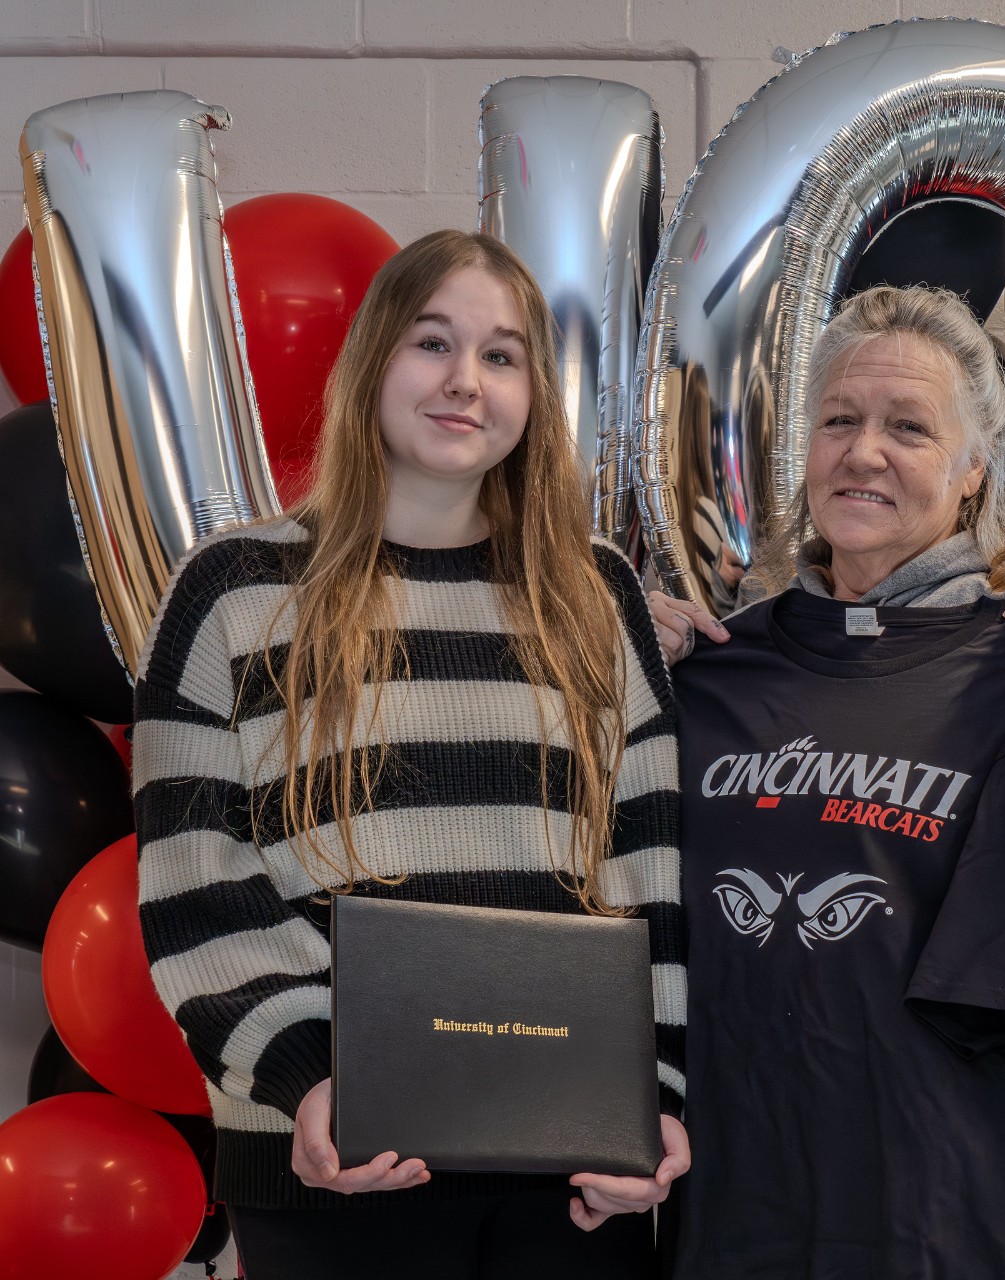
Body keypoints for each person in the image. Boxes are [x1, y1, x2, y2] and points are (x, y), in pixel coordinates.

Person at [650, 284, 1005, 1280]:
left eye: (907, 427)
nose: (864, 449)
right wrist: (620, 681)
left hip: (993, 1210)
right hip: (759, 1200)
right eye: (839, 418)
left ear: (972, 469)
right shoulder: (717, 667)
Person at [133, 229, 689, 1279]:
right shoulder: (233, 589)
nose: (463, 382)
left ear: (532, 393)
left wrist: (651, 1097)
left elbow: (648, 868)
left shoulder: (594, 590)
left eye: (501, 354)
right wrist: (308, 1078)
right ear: (373, 359)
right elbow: (196, 880)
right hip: (330, 1156)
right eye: (432, 342)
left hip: (568, 1175)